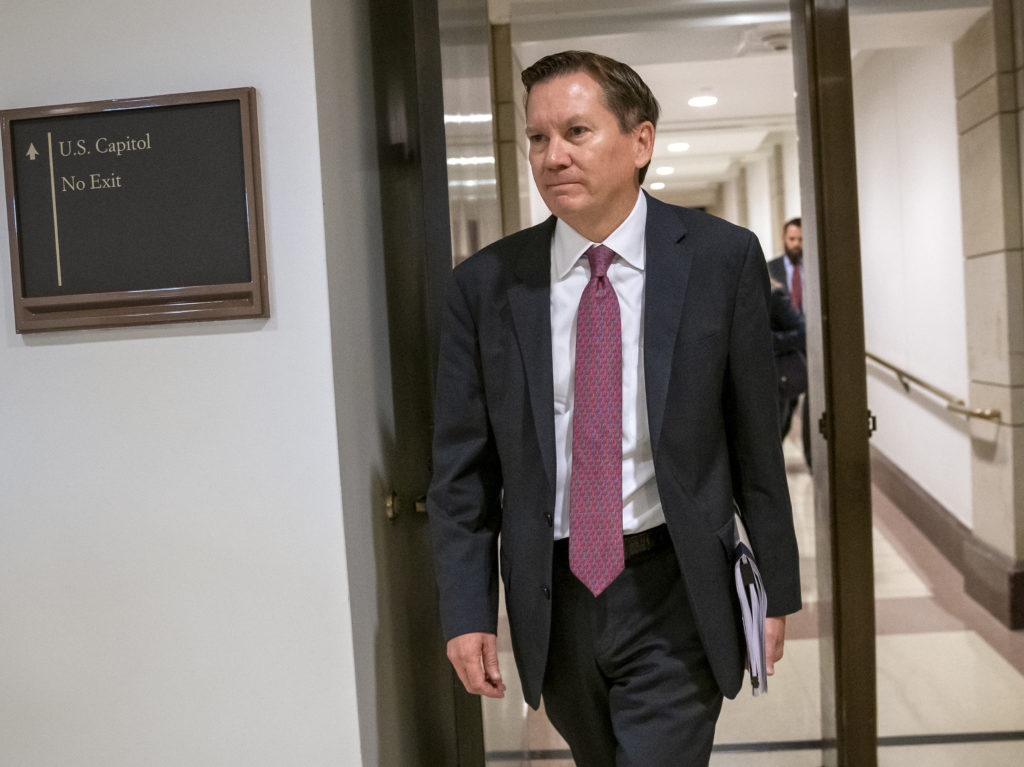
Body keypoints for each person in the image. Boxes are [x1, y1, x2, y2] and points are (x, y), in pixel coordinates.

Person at [427, 50, 801, 766]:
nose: (552, 155)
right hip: (553, 596)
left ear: (640, 143)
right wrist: (467, 610)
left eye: (575, 131)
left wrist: (776, 587)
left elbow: (755, 440)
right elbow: (461, 472)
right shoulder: (485, 287)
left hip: (676, 588)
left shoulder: (720, 260)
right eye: (537, 138)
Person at [767, 219, 811, 468]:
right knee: (784, 406)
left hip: (805, 345)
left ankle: (812, 459)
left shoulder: (814, 269)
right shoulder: (771, 270)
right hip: (783, 357)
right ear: (784, 239)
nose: (796, 245)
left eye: (801, 240)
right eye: (792, 239)